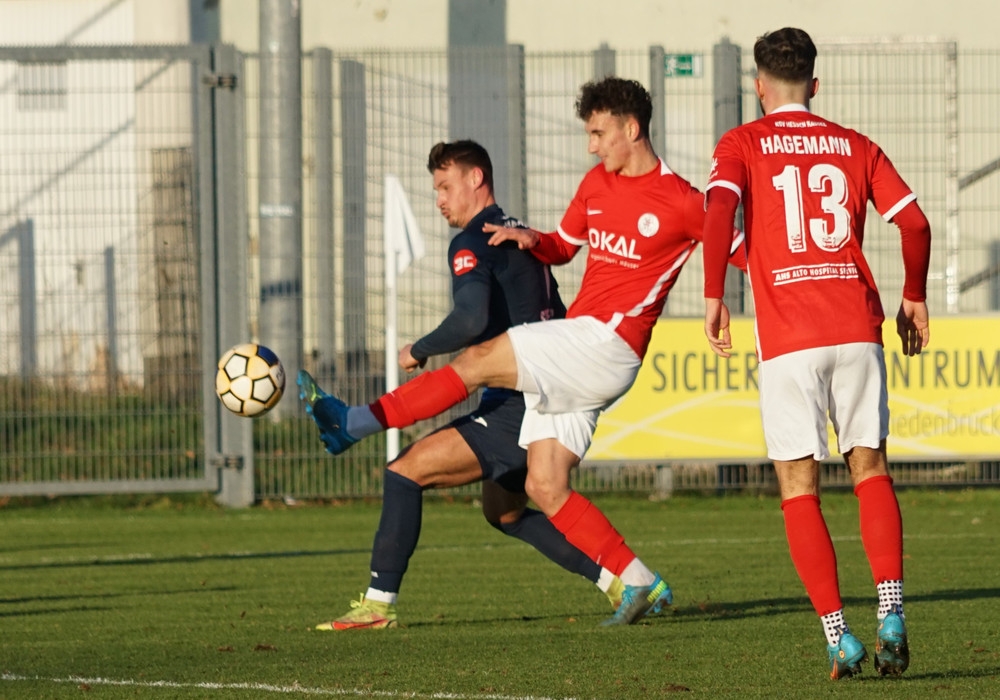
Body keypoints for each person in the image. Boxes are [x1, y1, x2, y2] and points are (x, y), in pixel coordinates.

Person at [301, 77, 745, 626]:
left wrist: (727, 297)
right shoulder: (596, 185)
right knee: (543, 485)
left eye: (598, 133)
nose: (591, 145)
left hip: (609, 343)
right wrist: (535, 240)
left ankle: (354, 422)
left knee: (479, 358)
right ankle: (637, 581)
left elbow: (745, 253)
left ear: (631, 129)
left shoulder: (683, 200)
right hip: (578, 346)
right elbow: (563, 247)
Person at [701, 27, 931, 680]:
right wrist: (914, 296)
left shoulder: (742, 142)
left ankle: (839, 637)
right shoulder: (855, 145)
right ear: (815, 85)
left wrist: (714, 295)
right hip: (856, 327)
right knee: (871, 470)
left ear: (759, 87)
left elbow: (719, 213)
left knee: (799, 487)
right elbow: (915, 223)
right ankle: (891, 613)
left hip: (789, 340)